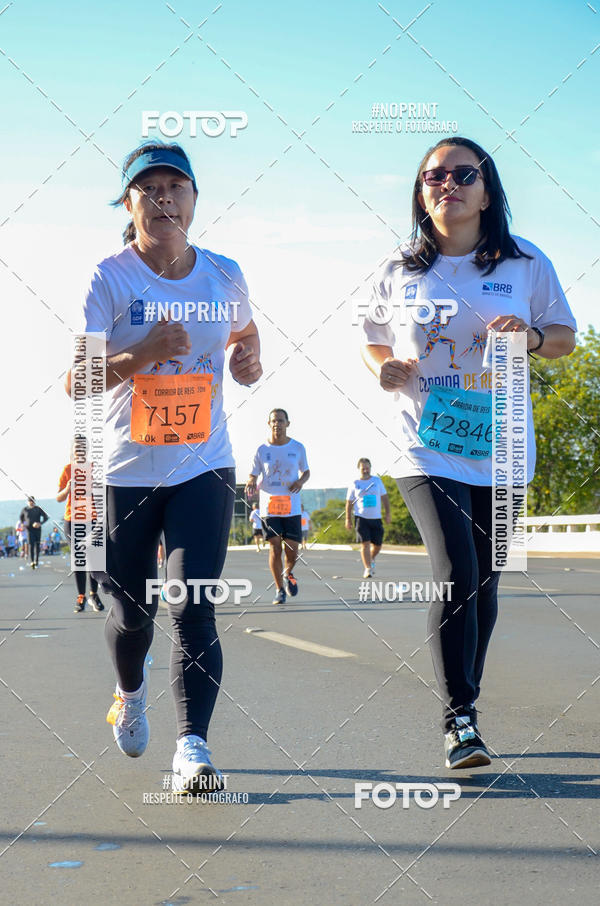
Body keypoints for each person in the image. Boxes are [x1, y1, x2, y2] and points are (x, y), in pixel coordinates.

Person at [361, 137, 576, 769]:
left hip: (504, 443)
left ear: (488, 191)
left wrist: (531, 336)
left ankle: (466, 703)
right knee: (456, 569)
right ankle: (459, 718)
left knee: (484, 584)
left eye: (462, 174)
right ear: (420, 193)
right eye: (433, 176)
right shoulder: (398, 268)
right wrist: (386, 367)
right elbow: (371, 338)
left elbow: (564, 337)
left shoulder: (526, 262)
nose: (446, 184)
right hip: (424, 442)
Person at [65, 141, 262, 791]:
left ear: (195, 200)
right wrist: (142, 351)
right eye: (148, 189)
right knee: (130, 615)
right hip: (125, 470)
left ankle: (193, 748)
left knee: (193, 603)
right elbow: (78, 380)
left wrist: (247, 362)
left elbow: (245, 333)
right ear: (129, 205)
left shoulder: (224, 273)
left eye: (175, 186)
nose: (163, 198)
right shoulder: (110, 278)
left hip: (203, 466)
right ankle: (130, 689)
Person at [245, 409, 309, 605]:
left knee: (292, 550)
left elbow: (306, 472)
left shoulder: (297, 447)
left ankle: (288, 574)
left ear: (287, 423)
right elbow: (253, 474)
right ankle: (279, 589)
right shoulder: (262, 450)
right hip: (269, 506)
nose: (277, 424)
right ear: (269, 423)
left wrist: (300, 482)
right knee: (274, 547)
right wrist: (250, 481)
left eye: (281, 421)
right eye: (274, 421)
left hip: (291, 506)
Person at [57, 440, 104, 613]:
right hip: (72, 519)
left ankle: (93, 594)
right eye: (77, 448)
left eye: (83, 448)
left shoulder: (94, 468)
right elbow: (59, 498)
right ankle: (81, 597)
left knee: (94, 559)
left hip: (91, 518)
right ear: (72, 451)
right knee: (79, 560)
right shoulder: (67, 469)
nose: (80, 451)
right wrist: (68, 489)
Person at [345, 458, 391, 578]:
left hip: (376, 518)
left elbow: (385, 498)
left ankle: (371, 558)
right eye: (363, 468)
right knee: (365, 543)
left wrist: (388, 514)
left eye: (367, 468)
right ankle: (368, 568)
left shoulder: (377, 481)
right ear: (359, 469)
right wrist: (348, 519)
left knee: (378, 545)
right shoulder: (355, 483)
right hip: (361, 517)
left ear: (370, 467)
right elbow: (349, 503)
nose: (365, 470)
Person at [19, 497, 48, 569]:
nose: (31, 502)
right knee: (31, 545)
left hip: (37, 529)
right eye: (29, 501)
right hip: (29, 529)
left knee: (37, 545)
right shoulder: (25, 509)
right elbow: (21, 517)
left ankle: (37, 561)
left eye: (32, 501)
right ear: (27, 502)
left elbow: (46, 517)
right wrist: (23, 523)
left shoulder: (38, 508)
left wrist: (40, 523)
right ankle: (32, 562)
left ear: (34, 501)